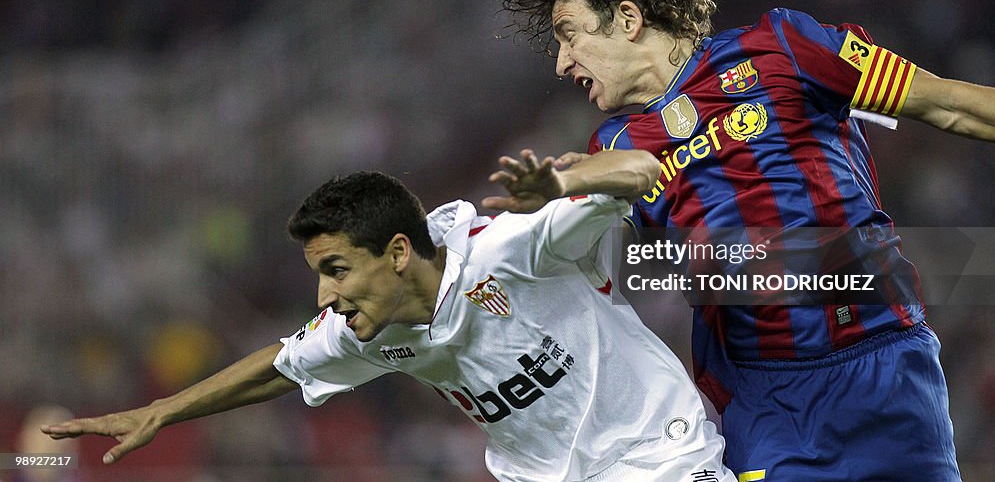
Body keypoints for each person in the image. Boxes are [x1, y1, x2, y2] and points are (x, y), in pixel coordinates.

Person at [499, 0, 995, 480]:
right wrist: (571, 189)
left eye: (569, 35)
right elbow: (637, 263)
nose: (561, 62)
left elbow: (950, 106)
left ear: (627, 18)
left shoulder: (784, 49)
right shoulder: (613, 144)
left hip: (884, 358)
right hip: (767, 401)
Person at [41, 148, 737, 482]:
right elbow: (277, 368)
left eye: (336, 271)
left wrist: (564, 182)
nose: (325, 299)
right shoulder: (368, 329)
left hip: (660, 459)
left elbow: (647, 170)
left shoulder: (513, 244)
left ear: (399, 251)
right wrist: (163, 409)